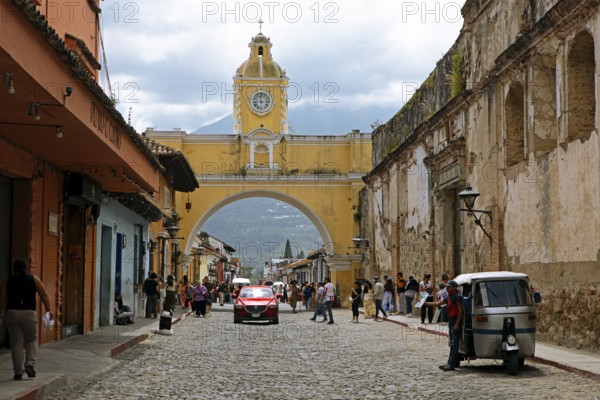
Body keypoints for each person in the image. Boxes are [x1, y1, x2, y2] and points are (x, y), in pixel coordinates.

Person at [0, 257, 53, 380]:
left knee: (16, 342)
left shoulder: (8, 280)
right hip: (29, 313)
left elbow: (1, 296)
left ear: (14, 268)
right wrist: (48, 310)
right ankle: (30, 363)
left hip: (12, 313)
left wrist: (0, 312)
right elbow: (44, 295)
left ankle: (18, 371)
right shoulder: (34, 279)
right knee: (31, 340)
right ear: (26, 267)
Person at [425, 280, 462, 371]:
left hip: (455, 321)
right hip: (451, 321)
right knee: (452, 343)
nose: (447, 288)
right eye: (447, 287)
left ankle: (451, 364)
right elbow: (437, 304)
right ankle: (450, 362)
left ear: (454, 287)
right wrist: (425, 303)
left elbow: (460, 311)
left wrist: (457, 324)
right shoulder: (449, 297)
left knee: (454, 343)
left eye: (449, 287)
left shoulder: (456, 298)